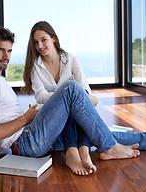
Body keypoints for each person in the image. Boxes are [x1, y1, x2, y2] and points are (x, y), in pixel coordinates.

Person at [0, 26, 146, 177]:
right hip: (24, 143)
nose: (6, 56)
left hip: (28, 135)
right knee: (72, 89)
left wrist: (29, 117)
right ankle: (107, 148)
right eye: (0, 50)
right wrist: (25, 119)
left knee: (91, 132)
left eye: (8, 50)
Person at [22, 21, 98, 175]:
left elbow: (86, 93)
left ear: (53, 39)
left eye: (44, 40)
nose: (40, 46)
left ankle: (83, 150)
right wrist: (66, 98)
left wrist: (72, 99)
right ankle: (74, 150)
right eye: (36, 42)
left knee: (79, 92)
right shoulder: (35, 67)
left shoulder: (71, 60)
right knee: (72, 98)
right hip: (52, 115)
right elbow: (41, 96)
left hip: (77, 113)